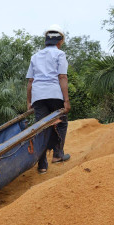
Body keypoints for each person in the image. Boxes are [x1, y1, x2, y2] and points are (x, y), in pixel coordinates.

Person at [26, 24, 71, 174]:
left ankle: (42, 164)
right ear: (60, 42)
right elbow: (62, 76)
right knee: (61, 123)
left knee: (41, 127)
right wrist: (66, 100)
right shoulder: (60, 54)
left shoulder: (35, 56)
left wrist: (29, 102)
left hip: (38, 96)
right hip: (54, 94)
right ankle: (58, 154)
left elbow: (30, 82)